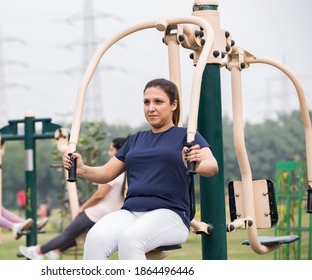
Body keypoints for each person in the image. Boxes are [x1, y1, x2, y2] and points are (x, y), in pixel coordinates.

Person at [62, 78, 218, 260]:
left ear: (173, 105)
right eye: (146, 102)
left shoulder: (187, 136)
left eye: (158, 102)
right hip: (131, 211)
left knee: (130, 239)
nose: (151, 108)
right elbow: (106, 173)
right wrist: (81, 169)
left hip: (171, 213)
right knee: (96, 238)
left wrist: (196, 163)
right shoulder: (135, 139)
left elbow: (212, 167)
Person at [19, 137, 127, 260]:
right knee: (81, 237)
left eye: (111, 149)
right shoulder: (125, 171)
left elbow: (99, 195)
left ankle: (38, 252)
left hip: (97, 212)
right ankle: (56, 250)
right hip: (109, 213)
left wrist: (83, 207)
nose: (109, 152)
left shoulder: (113, 171)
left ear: (119, 151)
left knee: (69, 232)